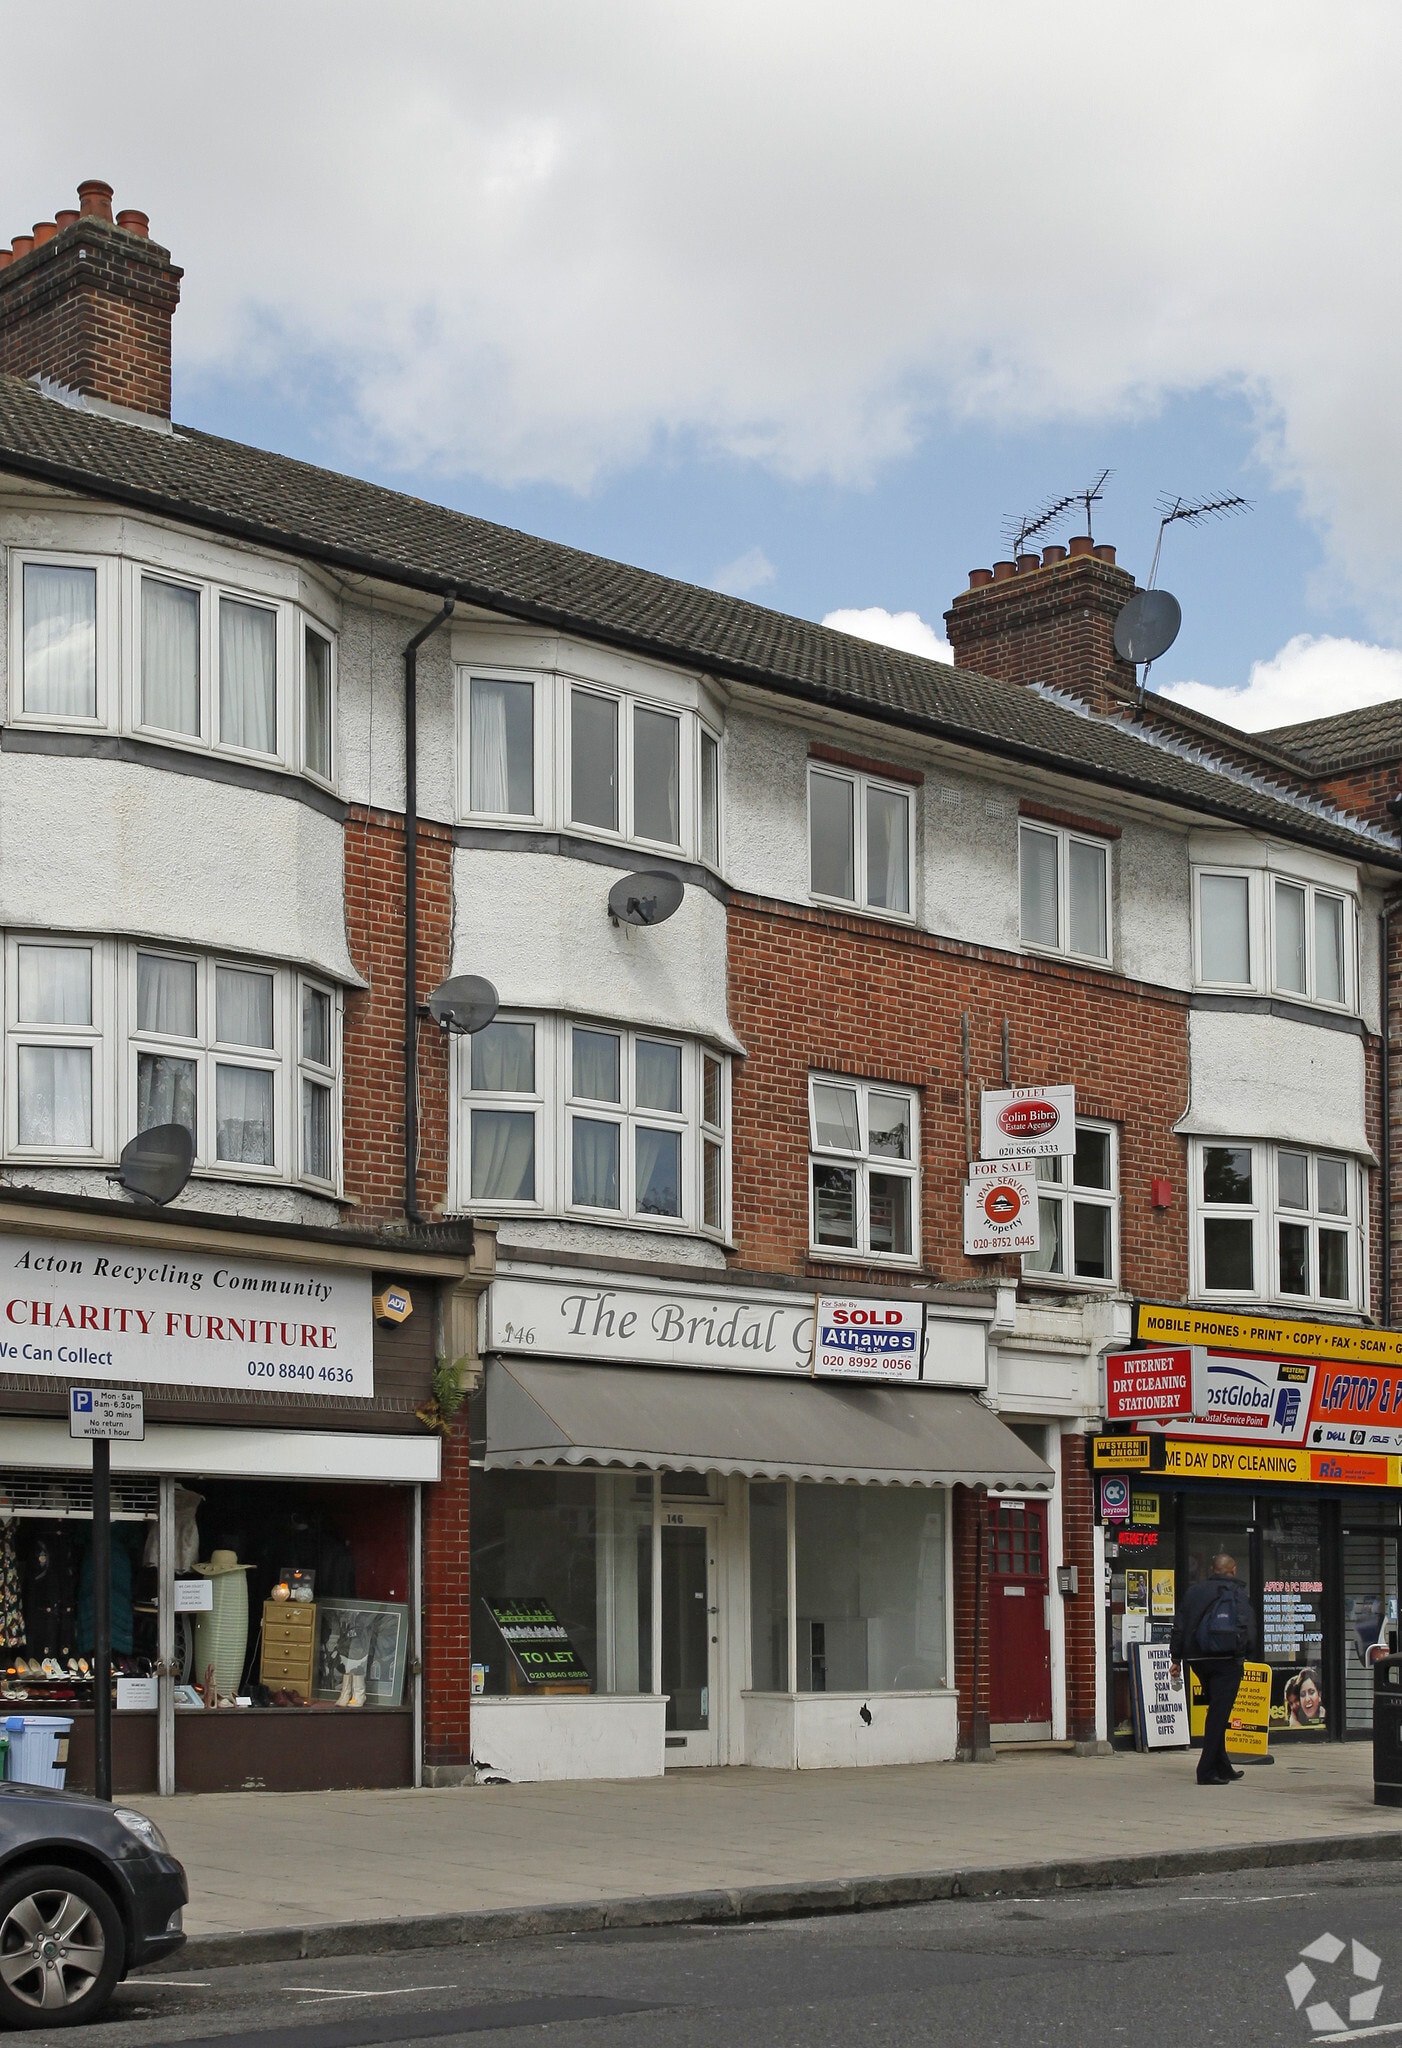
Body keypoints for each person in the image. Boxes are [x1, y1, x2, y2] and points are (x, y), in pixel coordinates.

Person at [1169, 1552, 1256, 1786]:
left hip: (1197, 1659)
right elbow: (1247, 1627)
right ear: (1233, 1570)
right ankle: (1205, 1770)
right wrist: (1248, 1653)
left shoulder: (1193, 1592)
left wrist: (1175, 1657)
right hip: (1226, 1659)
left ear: (1212, 1569)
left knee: (1216, 1711)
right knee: (1219, 1714)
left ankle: (1223, 1765)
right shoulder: (1237, 1592)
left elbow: (1179, 1625)